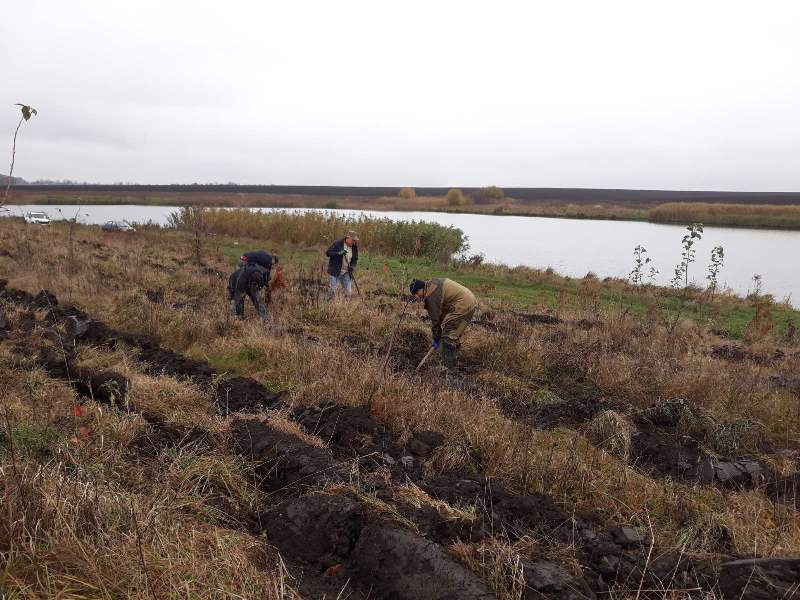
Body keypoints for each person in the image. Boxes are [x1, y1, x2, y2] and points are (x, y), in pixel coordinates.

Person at [410, 277, 477, 369]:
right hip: (469, 302)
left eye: (416, 292)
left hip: (462, 305)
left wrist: (436, 337)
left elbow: (436, 321)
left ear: (422, 288)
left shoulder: (431, 296)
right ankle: (452, 360)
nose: (416, 296)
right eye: (414, 294)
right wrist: (439, 333)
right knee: (453, 334)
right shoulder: (432, 285)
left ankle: (447, 367)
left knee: (448, 337)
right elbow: (441, 313)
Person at [227, 250, 278, 318]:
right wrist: (264, 288)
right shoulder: (268, 260)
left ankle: (238, 316)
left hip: (243, 263)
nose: (273, 266)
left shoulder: (262, 259)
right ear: (273, 260)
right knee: (247, 295)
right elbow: (266, 276)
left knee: (240, 296)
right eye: (274, 264)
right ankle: (264, 318)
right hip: (246, 267)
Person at [326, 231, 359, 297]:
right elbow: (328, 253)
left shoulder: (354, 247)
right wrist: (339, 253)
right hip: (335, 270)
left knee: (349, 292)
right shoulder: (338, 243)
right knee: (333, 290)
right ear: (348, 238)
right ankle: (328, 303)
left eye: (355, 240)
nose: (354, 242)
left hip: (346, 272)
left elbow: (355, 259)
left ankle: (346, 305)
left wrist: (352, 266)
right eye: (353, 240)